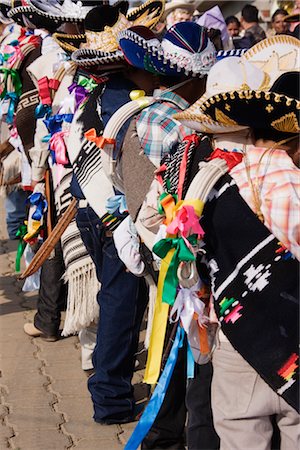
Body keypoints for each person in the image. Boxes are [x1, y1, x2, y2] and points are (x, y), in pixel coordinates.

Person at [118, 22, 220, 450]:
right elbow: (173, 198)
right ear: (195, 77)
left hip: (159, 242)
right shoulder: (182, 127)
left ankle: (162, 434)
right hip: (181, 252)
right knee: (193, 354)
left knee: (172, 346)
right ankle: (175, 435)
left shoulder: (147, 113)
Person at [65, 0, 165, 425]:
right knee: (122, 305)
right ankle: (110, 400)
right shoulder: (130, 101)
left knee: (116, 301)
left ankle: (111, 387)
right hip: (112, 215)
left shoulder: (100, 94)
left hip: (88, 207)